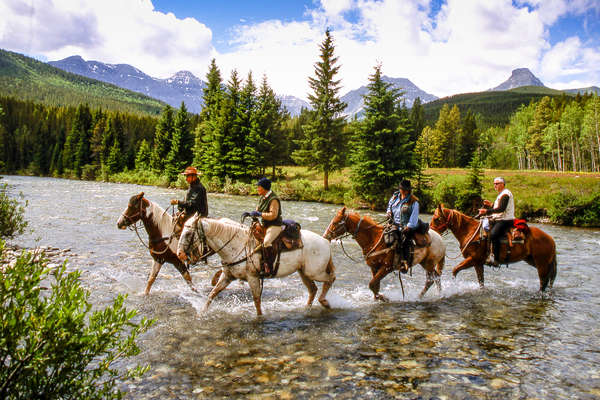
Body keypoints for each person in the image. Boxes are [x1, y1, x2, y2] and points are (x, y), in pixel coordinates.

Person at [244, 177, 283, 275]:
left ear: (264, 188)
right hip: (264, 224)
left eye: (259, 187)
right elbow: (258, 210)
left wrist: (260, 214)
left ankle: (269, 267)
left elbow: (273, 215)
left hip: (274, 225)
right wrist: (251, 214)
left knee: (266, 242)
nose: (257, 189)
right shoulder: (262, 197)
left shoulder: (274, 199)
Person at [478, 177, 514, 266]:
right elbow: (498, 207)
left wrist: (486, 211)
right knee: (484, 227)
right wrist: (491, 205)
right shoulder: (501, 194)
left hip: (505, 220)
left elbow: (501, 209)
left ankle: (496, 259)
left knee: (493, 235)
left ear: (502, 184)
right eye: (494, 183)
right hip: (499, 218)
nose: (495, 185)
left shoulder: (506, 194)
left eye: (497, 183)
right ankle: (487, 253)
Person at [386, 179, 419, 272]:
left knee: (403, 241)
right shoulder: (394, 197)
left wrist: (408, 226)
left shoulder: (414, 202)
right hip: (393, 223)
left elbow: (414, 217)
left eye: (405, 189)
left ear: (409, 190)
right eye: (402, 189)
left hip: (405, 226)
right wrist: (388, 212)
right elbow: (389, 206)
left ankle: (404, 262)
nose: (403, 191)